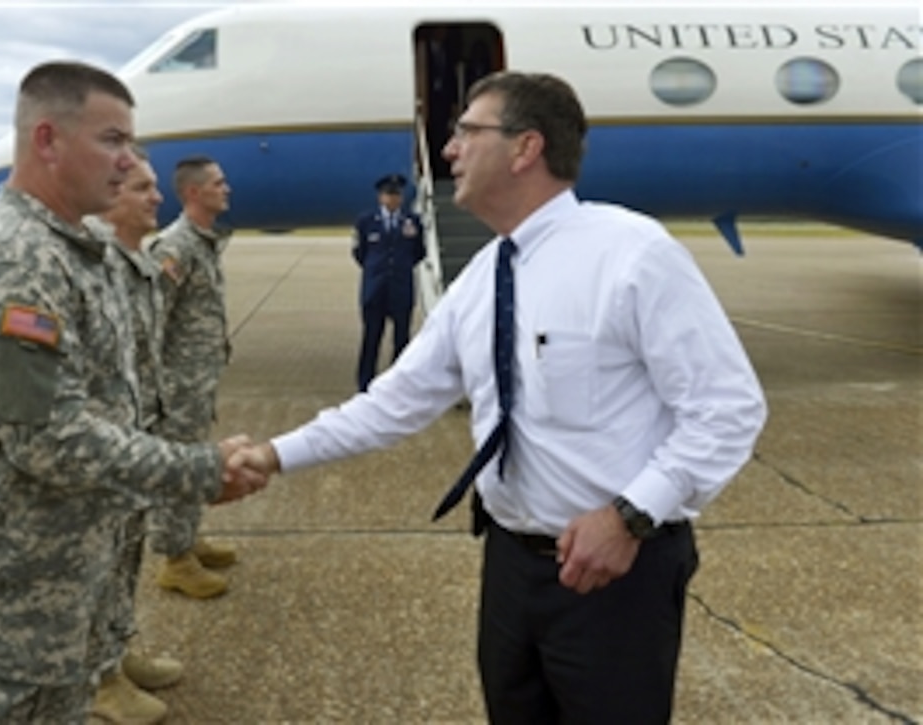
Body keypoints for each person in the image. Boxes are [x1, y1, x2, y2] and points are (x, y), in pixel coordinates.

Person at [228, 71, 767, 723]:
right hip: (512, 565)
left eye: (465, 131)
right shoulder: (483, 276)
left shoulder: (632, 253)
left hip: (616, 571)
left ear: (525, 148)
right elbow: (395, 400)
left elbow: (727, 407)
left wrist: (629, 516)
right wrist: (273, 453)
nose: (449, 149)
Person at [0, 60, 265, 724]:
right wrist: (196, 467)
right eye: (113, 140)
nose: (129, 160)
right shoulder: (15, 262)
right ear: (47, 139)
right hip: (26, 572)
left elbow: (67, 400)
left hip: (77, 550)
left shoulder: (78, 250)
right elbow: (46, 437)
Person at [84, 149, 179, 724]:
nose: (157, 198)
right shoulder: (91, 264)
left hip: (135, 436)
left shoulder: (135, 260)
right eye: (144, 188)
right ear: (112, 193)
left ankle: (116, 652)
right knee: (99, 561)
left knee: (126, 554)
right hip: (100, 447)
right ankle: (98, 679)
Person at [145, 155, 238, 599]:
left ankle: (187, 537)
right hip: (176, 387)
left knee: (194, 462)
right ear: (193, 193)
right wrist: (158, 389)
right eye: (219, 183)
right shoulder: (173, 247)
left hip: (196, 381)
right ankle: (174, 560)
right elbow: (149, 323)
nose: (228, 189)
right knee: (176, 468)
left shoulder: (203, 242)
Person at [352, 173, 426, 392]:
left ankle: (399, 384)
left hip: (400, 289)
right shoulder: (366, 222)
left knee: (402, 340)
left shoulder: (413, 221)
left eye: (396, 195)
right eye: (388, 195)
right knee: (371, 338)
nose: (392, 199)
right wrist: (377, 271)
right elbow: (360, 253)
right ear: (380, 197)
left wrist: (399, 270)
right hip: (375, 290)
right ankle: (365, 383)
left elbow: (419, 252)